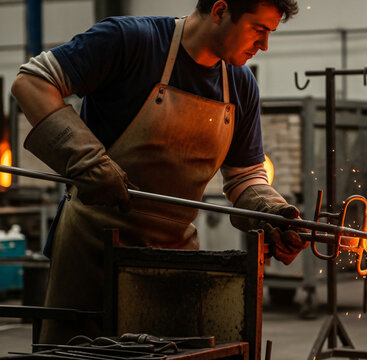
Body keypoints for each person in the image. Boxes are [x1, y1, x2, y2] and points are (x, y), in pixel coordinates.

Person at [10, 0, 308, 344]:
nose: (265, 45)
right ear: (220, 10)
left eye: (270, 33)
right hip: (93, 252)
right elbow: (32, 81)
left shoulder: (240, 85)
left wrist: (272, 212)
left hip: (173, 260)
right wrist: (86, 159)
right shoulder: (131, 41)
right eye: (259, 29)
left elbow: (245, 177)